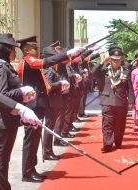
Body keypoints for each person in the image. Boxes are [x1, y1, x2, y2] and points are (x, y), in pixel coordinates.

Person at [16, 36, 83, 182]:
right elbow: (47, 62)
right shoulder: (28, 60)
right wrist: (67, 54)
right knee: (31, 140)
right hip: (32, 105)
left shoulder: (31, 61)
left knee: (34, 140)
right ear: (26, 49)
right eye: (33, 47)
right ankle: (27, 172)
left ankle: (31, 169)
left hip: (38, 104)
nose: (36, 49)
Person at [0, 33, 41, 190]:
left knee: (2, 162)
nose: (16, 52)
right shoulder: (2, 69)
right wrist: (21, 93)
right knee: (0, 164)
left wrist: (23, 96)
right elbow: (1, 95)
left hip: (7, 121)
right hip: (2, 122)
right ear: (5, 50)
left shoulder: (5, 66)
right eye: (13, 49)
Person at [90, 45, 135, 153]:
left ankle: (118, 142)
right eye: (113, 60)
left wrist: (132, 101)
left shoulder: (126, 71)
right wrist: (102, 62)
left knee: (120, 125)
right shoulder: (104, 70)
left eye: (118, 60)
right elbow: (93, 72)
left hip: (121, 101)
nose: (116, 62)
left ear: (121, 60)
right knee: (107, 124)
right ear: (110, 59)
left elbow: (130, 87)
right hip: (107, 101)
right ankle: (107, 144)